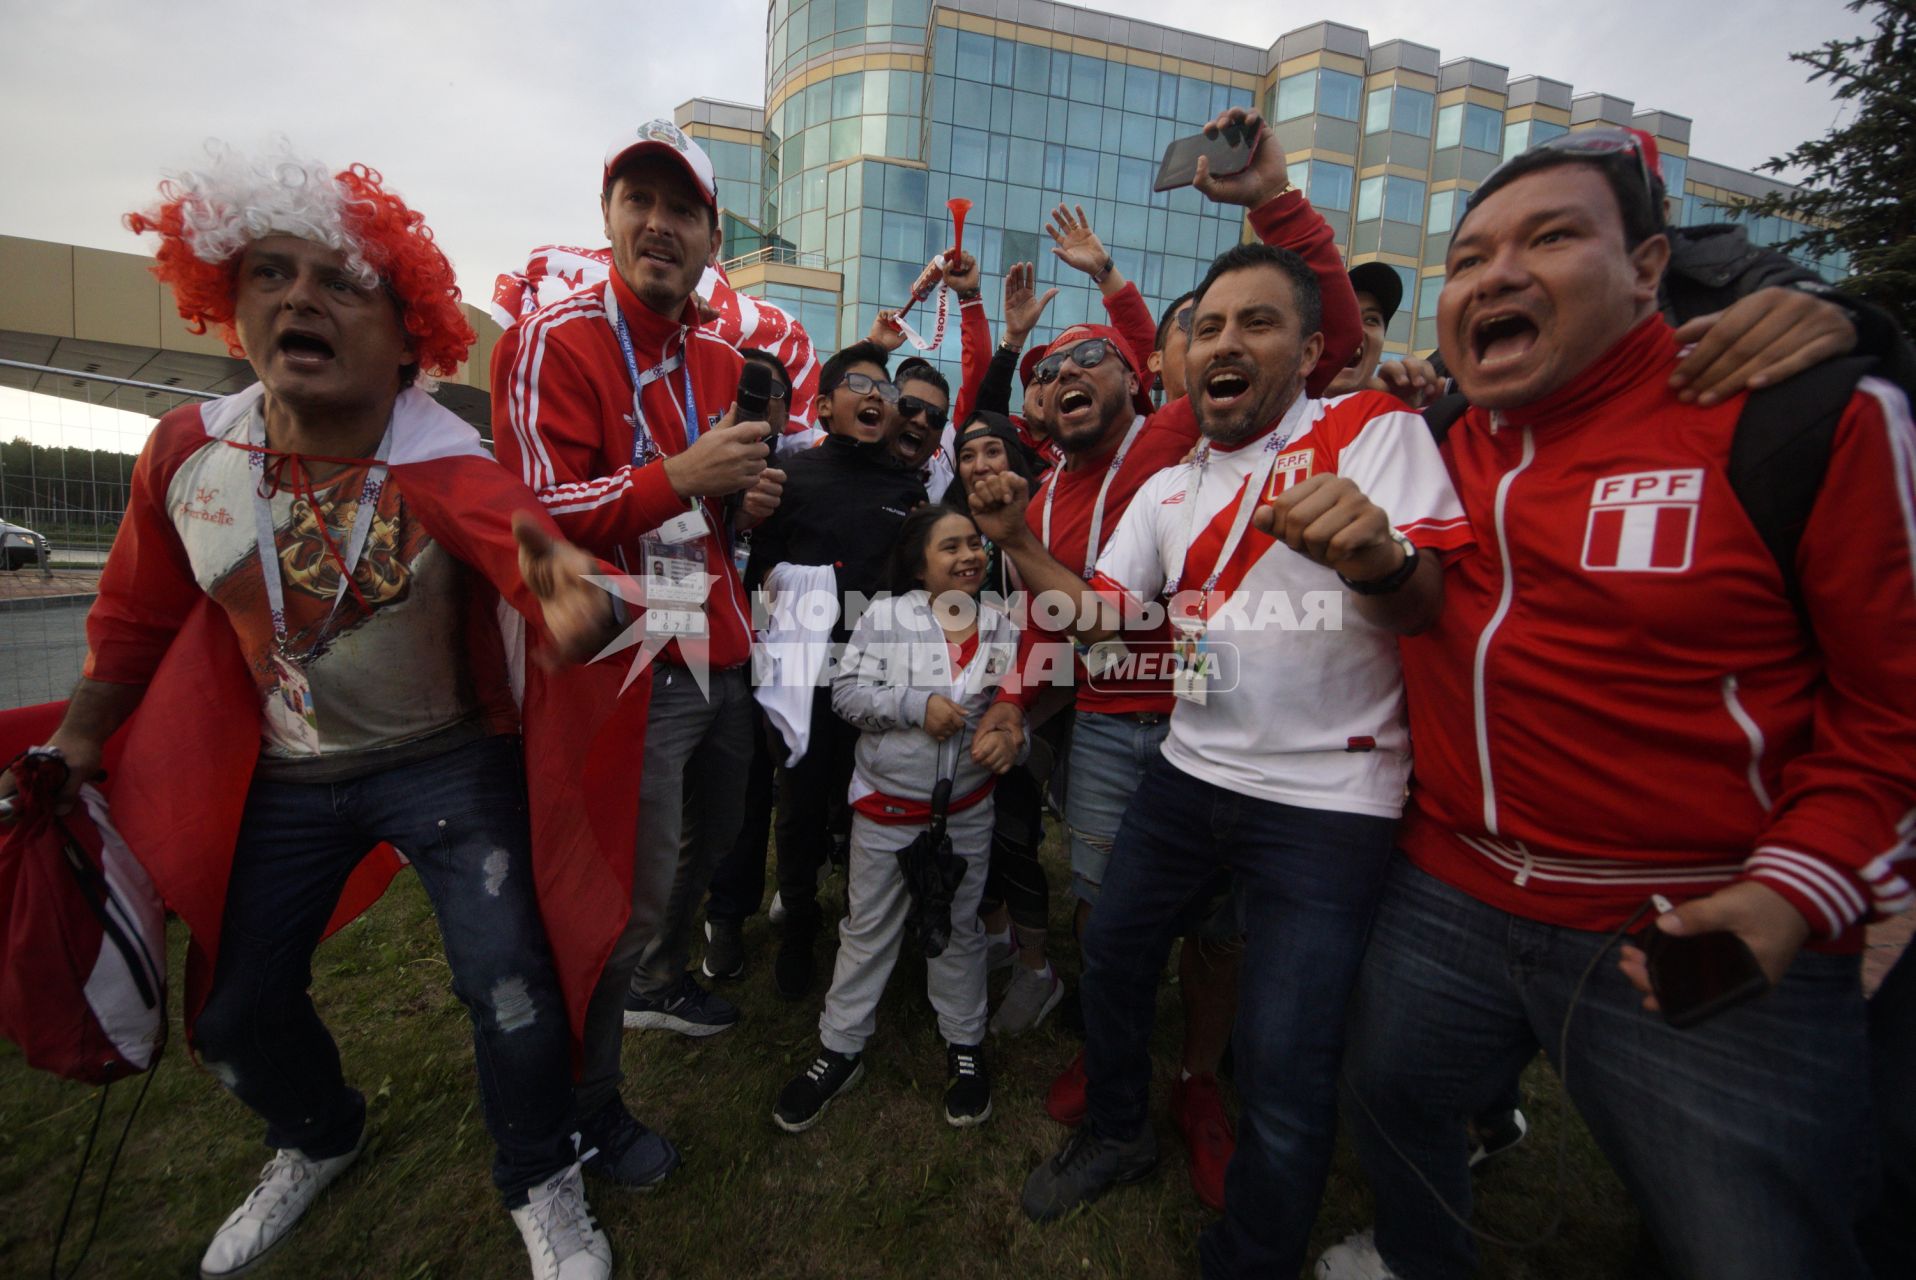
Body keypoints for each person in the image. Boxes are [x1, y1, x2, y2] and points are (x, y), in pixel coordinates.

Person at [0, 146, 625, 1280]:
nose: (301, 298)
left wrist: (565, 585)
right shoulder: (186, 456)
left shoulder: (444, 455)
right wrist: (80, 736)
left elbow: (519, 542)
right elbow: (136, 615)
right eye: (271, 273)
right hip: (283, 775)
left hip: (447, 763)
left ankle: (540, 1173)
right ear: (226, 304)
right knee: (234, 1015)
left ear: (406, 333)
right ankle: (316, 1130)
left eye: (343, 282)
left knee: (510, 980)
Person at [1317, 129, 1916, 1280]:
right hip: (1447, 883)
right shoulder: (1434, 442)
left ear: (1648, 267)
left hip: (1693, 922)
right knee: (1390, 1093)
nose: (1495, 274)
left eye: (1548, 239)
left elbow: (1889, 714)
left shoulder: (1800, 417)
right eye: (1470, 254)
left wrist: (1792, 892)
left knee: (1752, 1236)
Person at [1002, 104, 1364, 1217]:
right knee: (1109, 911)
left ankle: (1197, 1079)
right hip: (1113, 721)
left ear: (1144, 371)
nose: (1067, 382)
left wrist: (1120, 269)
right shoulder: (1063, 474)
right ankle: (1116, 1068)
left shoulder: (1172, 431)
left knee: (1218, 929)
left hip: (1236, 734)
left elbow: (1322, 333)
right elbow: (1067, 599)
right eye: (1046, 378)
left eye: (1093, 364)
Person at [491, 119, 783, 1186]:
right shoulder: (549, 339)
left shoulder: (720, 358)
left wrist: (740, 501)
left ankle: (655, 991)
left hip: (716, 643)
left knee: (704, 853)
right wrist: (683, 475)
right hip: (624, 661)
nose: (658, 224)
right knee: (617, 895)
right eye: (639, 202)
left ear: (712, 236)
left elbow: (710, 517)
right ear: (609, 218)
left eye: (681, 209)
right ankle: (586, 1105)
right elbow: (530, 519)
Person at [772, 505, 1029, 1132]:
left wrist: (1009, 738)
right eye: (950, 547)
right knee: (869, 926)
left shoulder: (1003, 627)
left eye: (975, 544)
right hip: (888, 812)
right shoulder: (884, 618)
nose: (969, 555)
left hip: (965, 814)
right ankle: (840, 1046)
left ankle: (964, 1044)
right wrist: (915, 704)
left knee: (959, 927)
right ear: (919, 565)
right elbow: (846, 694)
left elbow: (1010, 709)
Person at [744, 340, 928, 997]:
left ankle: (864, 924)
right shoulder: (792, 480)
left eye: (886, 389)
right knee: (796, 805)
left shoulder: (909, 490)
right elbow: (759, 567)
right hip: (804, 675)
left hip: (876, 676)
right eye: (859, 383)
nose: (877, 395)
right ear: (823, 407)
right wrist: (806, 586)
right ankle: (798, 923)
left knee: (865, 806)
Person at [699, 346, 795, 981]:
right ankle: (723, 919)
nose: (760, 406)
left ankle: (793, 899)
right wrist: (728, 511)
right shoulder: (693, 459)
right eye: (747, 394)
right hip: (710, 664)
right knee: (732, 802)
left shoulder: (805, 471)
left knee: (789, 790)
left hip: (787, 666)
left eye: (770, 396)